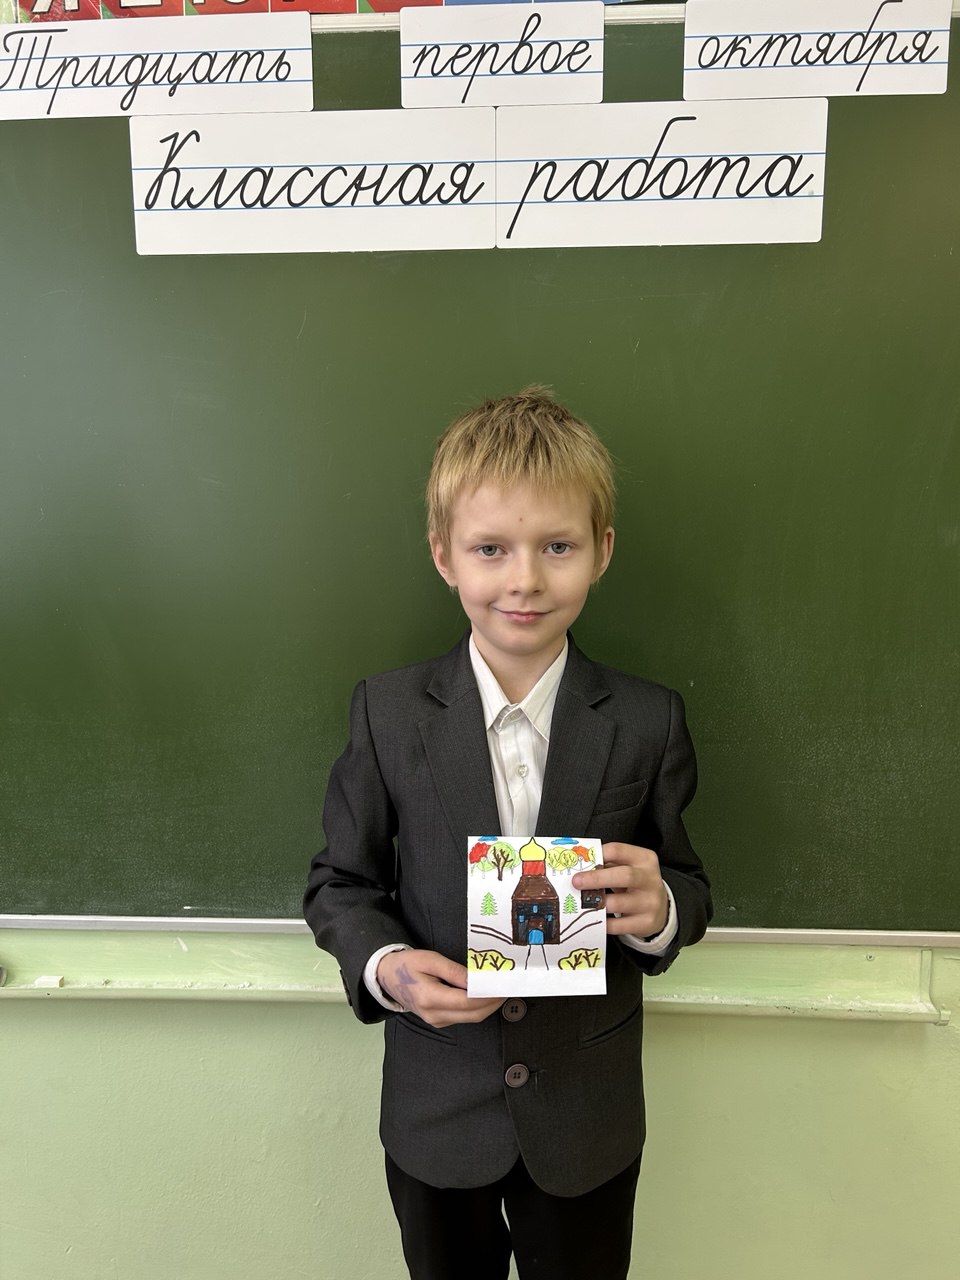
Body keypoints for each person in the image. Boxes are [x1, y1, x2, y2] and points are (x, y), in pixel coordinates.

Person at [303, 388, 712, 1280]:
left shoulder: (648, 720)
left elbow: (685, 882)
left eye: (558, 547)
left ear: (602, 551)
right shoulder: (388, 714)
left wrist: (662, 911)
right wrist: (388, 969)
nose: (524, 580)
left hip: (587, 1118)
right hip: (437, 1107)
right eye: (490, 549)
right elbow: (341, 884)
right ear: (443, 555)